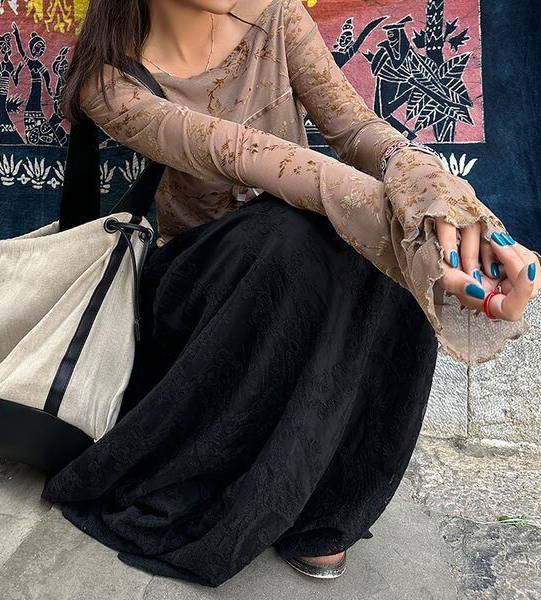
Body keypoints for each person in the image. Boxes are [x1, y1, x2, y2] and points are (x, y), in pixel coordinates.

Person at [40, 0, 540, 587]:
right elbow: (242, 154)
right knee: (313, 234)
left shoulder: (277, 16)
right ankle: (230, 487)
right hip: (199, 290)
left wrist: (444, 199)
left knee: (361, 246)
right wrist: (417, 234)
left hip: (297, 261)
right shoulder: (108, 80)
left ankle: (328, 505)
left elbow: (357, 131)